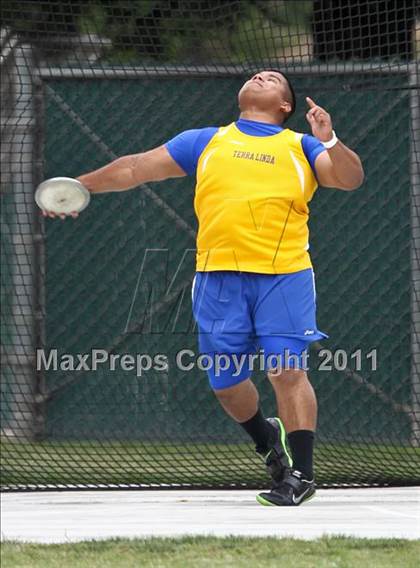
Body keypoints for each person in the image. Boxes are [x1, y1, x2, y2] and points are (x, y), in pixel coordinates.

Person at [43, 70, 364, 506]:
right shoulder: (206, 141)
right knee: (227, 385)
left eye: (273, 78)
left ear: (285, 105)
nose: (262, 75)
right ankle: (266, 437)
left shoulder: (299, 146)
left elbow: (348, 178)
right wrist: (81, 186)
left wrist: (328, 140)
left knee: (286, 370)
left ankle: (301, 475)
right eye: (258, 74)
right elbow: (136, 168)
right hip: (218, 278)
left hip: (284, 275)